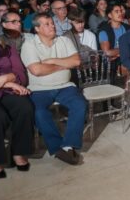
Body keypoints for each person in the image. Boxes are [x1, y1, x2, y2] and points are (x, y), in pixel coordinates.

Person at [21, 13, 85, 165]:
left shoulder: (64, 40)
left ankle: (68, 146)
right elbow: (37, 70)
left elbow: (76, 61)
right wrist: (62, 65)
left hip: (65, 86)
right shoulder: (29, 45)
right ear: (37, 29)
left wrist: (51, 61)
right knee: (39, 112)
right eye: (47, 24)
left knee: (80, 105)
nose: (52, 26)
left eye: (52, 23)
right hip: (39, 89)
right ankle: (57, 147)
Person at [0, 19, 33, 178]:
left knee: (25, 107)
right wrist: (10, 83)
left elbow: (20, 73)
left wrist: (6, 78)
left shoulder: (7, 48)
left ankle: (18, 152)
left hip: (6, 92)